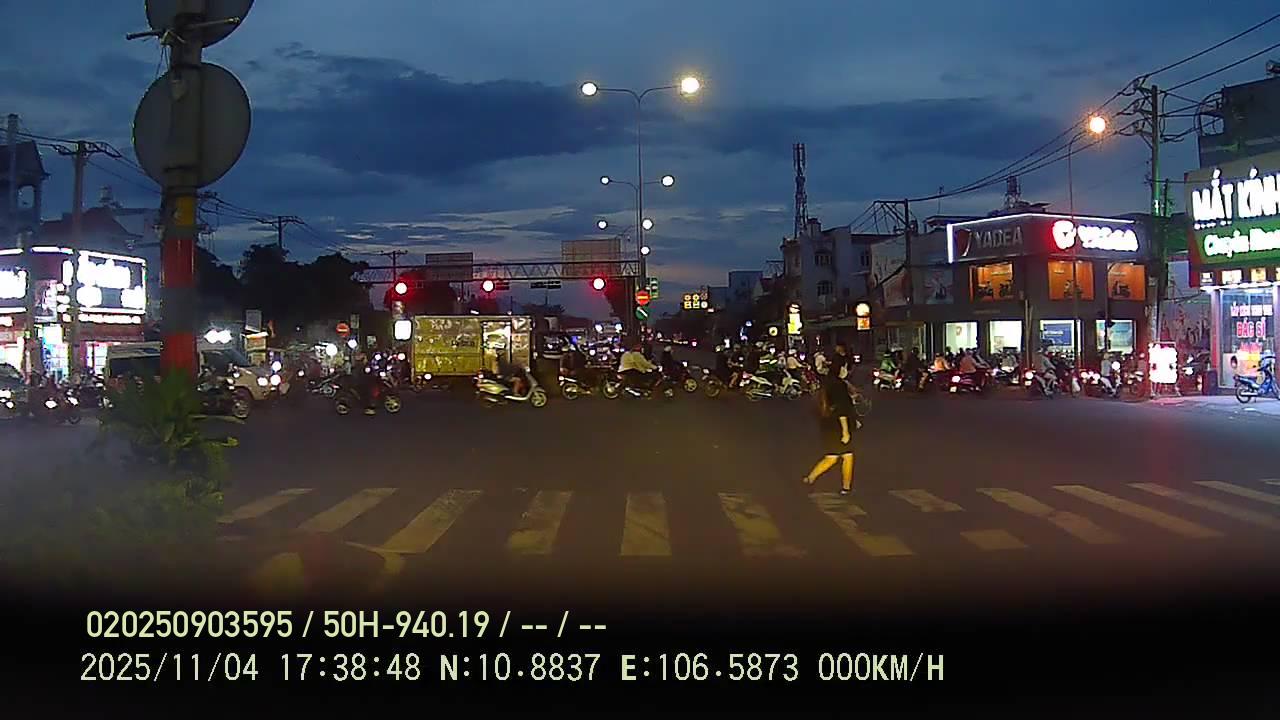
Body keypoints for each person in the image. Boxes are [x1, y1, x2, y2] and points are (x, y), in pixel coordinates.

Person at [803, 361, 856, 495]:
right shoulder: (840, 385)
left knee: (832, 457)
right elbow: (842, 409)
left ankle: (810, 478)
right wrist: (845, 431)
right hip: (838, 426)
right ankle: (846, 487)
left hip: (827, 425)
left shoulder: (827, 384)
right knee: (847, 456)